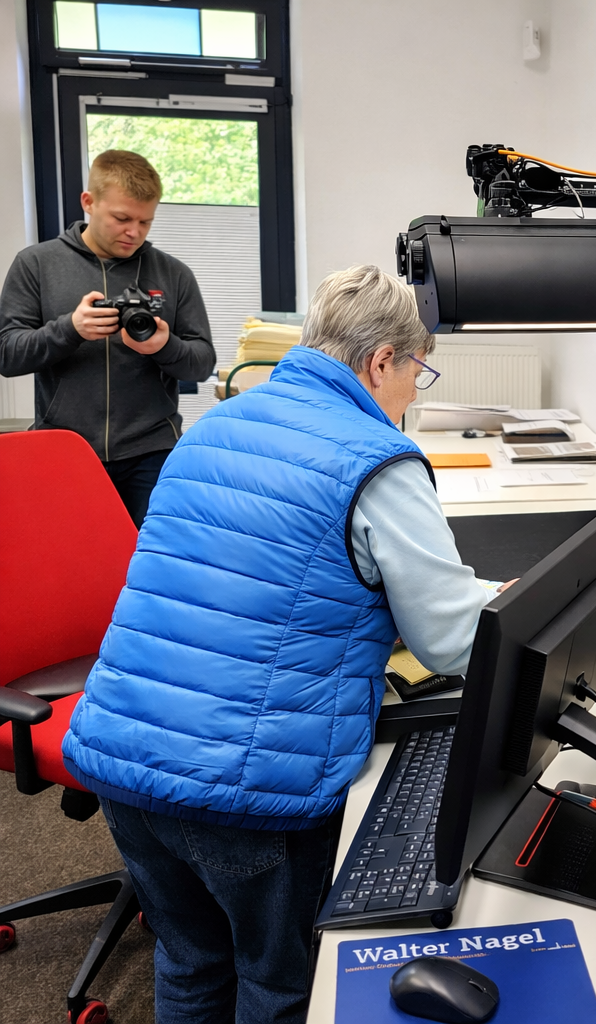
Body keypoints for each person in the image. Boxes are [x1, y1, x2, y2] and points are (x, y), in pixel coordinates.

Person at [62, 265, 506, 1024]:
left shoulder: (215, 426)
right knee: (275, 982)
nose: (412, 393)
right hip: (247, 787)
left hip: (121, 757)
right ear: (380, 362)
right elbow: (452, 640)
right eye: (417, 370)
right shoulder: (378, 460)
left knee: (190, 959)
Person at [0, 149, 215, 527]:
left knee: (146, 564)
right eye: (121, 218)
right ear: (89, 202)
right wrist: (70, 330)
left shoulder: (173, 274)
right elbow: (7, 355)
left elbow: (202, 362)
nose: (134, 232)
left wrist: (164, 346)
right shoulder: (36, 265)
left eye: (145, 222)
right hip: (64, 450)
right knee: (72, 564)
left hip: (152, 451)